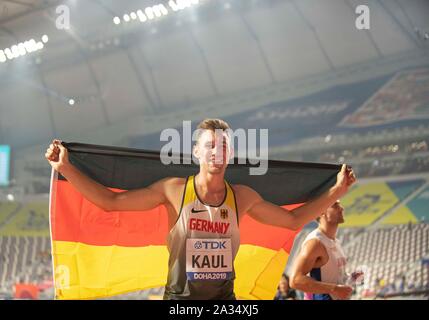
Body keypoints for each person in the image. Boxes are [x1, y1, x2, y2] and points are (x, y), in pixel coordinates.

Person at [45, 118, 356, 300]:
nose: (216, 151)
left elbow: (292, 221)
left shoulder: (243, 197)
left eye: (222, 146)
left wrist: (337, 190)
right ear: (197, 152)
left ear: (230, 153)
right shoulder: (174, 190)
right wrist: (67, 168)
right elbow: (110, 203)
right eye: (209, 145)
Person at [290, 200, 363, 300]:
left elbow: (334, 280)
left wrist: (351, 278)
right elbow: (295, 280)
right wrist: (335, 289)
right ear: (321, 211)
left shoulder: (335, 242)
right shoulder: (315, 242)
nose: (342, 208)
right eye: (335, 205)